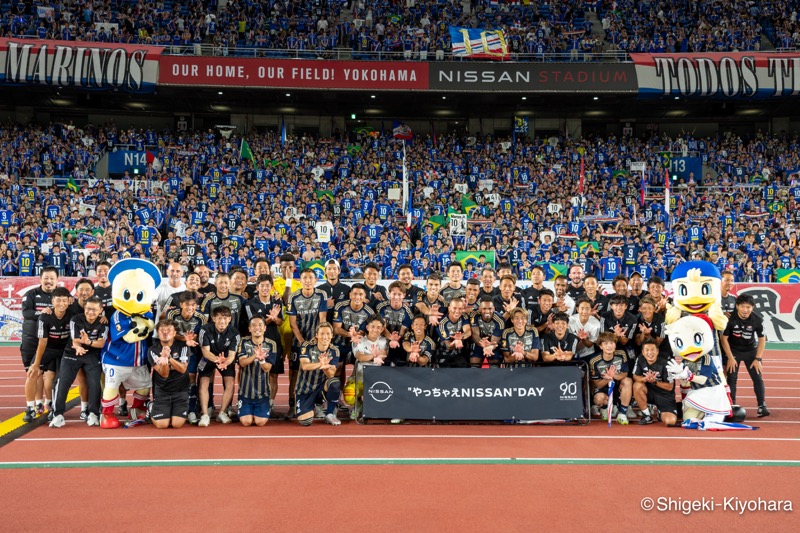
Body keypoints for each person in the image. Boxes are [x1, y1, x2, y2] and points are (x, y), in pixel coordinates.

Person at [49, 296, 107, 428]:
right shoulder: (75, 319)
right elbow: (75, 339)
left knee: (94, 383)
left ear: (100, 310)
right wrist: (78, 346)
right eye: (88, 309)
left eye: (94, 309)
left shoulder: (103, 322)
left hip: (92, 355)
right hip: (72, 353)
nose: (90, 312)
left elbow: (101, 343)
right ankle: (57, 414)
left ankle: (93, 414)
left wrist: (88, 342)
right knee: (62, 381)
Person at [287, 268, 328, 416]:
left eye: (311, 278)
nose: (308, 280)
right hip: (299, 341)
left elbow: (322, 319)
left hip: (316, 341)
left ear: (316, 280)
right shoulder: (293, 297)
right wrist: (302, 341)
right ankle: (292, 405)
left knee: (318, 371)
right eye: (305, 278)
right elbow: (293, 323)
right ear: (300, 280)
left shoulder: (321, 295)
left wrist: (316, 338)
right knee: (295, 372)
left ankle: (316, 404)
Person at [721, 294, 769, 417]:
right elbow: (724, 339)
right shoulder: (729, 318)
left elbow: (762, 339)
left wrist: (758, 358)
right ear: (737, 306)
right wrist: (730, 358)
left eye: (748, 307)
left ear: (752, 307)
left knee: (757, 377)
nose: (745, 310)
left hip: (750, 351)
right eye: (742, 306)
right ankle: (731, 405)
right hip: (733, 351)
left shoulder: (757, 319)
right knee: (731, 378)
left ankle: (761, 406)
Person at [29, 286, 73, 421]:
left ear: (69, 301)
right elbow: (42, 341)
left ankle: (52, 406)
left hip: (64, 351)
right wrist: (36, 363)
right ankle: (30, 408)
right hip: (47, 349)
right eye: (58, 300)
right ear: (52, 301)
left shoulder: (72, 313)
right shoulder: (45, 316)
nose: (62, 303)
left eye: (64, 300)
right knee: (32, 373)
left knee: (56, 380)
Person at [21, 266, 58, 422]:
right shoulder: (30, 294)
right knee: (33, 373)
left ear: (57, 281)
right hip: (31, 340)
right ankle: (36, 405)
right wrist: (42, 312)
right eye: (46, 278)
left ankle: (48, 405)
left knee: (49, 375)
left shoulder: (61, 296)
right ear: (41, 278)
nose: (49, 281)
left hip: (51, 342)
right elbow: (26, 313)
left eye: (52, 278)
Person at [244, 274, 284, 415]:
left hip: (274, 342)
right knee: (252, 374)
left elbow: (280, 322)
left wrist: (275, 318)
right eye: (262, 286)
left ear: (272, 287)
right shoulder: (250, 304)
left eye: (268, 285)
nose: (265, 288)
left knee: (273, 375)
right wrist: (269, 319)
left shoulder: (277, 302)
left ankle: (270, 404)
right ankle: (250, 401)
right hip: (255, 343)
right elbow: (254, 324)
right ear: (257, 287)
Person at [167, 291, 207, 424]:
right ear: (181, 304)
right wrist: (184, 338)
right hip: (176, 349)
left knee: (191, 378)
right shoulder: (172, 314)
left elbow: (199, 335)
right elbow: (170, 333)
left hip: (193, 350)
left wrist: (189, 339)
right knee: (175, 377)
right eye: (187, 305)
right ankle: (176, 408)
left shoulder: (201, 317)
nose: (191, 308)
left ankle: (191, 410)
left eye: (193, 305)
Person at [197, 306, 240, 426]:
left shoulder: (235, 333)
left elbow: (232, 355)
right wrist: (217, 360)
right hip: (209, 358)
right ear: (213, 318)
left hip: (225, 359)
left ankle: (222, 412)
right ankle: (205, 414)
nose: (222, 321)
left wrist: (225, 362)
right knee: (204, 382)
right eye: (219, 318)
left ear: (230, 319)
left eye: (225, 318)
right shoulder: (204, 330)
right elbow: (205, 351)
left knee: (230, 382)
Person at [295, 322, 342, 426]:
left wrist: (326, 369)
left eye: (328, 334)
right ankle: (314, 407)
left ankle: (330, 414)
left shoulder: (335, 351)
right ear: (316, 335)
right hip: (304, 390)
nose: (325, 337)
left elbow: (331, 375)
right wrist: (320, 364)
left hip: (320, 389)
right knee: (305, 421)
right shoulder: (306, 346)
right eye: (322, 334)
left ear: (332, 335)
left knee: (334, 382)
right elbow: (305, 366)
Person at [148, 320, 190, 429]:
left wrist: (169, 358)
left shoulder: (183, 347)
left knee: (176, 424)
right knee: (162, 425)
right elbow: (164, 374)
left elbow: (182, 369)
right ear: (157, 332)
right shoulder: (153, 351)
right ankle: (151, 406)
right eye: (162, 330)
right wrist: (165, 360)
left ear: (175, 333)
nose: (165, 333)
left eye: (169, 330)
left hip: (180, 392)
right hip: (162, 392)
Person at [237, 315, 278, 427]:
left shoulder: (271, 344)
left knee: (260, 422)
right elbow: (242, 363)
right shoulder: (243, 341)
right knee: (246, 422)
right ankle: (244, 406)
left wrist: (261, 360)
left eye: (260, 325)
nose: (257, 328)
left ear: (265, 328)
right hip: (245, 392)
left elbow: (267, 368)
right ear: (249, 329)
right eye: (253, 325)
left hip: (263, 393)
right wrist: (255, 356)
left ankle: (262, 406)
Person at [589, 331, 633, 424]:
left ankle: (622, 412)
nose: (609, 346)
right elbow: (598, 384)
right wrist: (608, 378)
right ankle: (605, 408)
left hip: (618, 385)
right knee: (599, 398)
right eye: (605, 343)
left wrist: (613, 376)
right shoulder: (594, 361)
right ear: (601, 346)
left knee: (628, 381)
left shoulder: (621, 354)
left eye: (612, 343)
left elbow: (624, 374)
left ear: (615, 345)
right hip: (604, 388)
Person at [632, 338, 678, 426]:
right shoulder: (640, 359)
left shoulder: (666, 363)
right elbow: (635, 376)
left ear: (657, 351)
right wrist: (645, 379)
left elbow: (670, 387)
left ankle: (661, 412)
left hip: (664, 395)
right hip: (649, 392)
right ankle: (647, 415)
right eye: (647, 350)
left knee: (670, 421)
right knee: (637, 385)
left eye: (652, 350)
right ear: (642, 352)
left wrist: (654, 382)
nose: (650, 353)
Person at [376, 281, 414, 366]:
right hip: (383, 339)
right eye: (394, 294)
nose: (396, 297)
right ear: (389, 294)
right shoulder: (381, 307)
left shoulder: (408, 313)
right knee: (383, 363)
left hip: (399, 341)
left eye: (399, 294)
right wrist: (390, 337)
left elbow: (402, 332)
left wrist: (395, 340)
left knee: (400, 362)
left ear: (404, 295)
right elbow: (382, 327)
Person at [434, 296, 471, 367]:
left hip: (459, 354)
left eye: (460, 308)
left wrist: (461, 337)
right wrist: (456, 341)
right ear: (449, 309)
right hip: (444, 354)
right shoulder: (442, 322)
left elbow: (468, 331)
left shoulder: (464, 317)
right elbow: (448, 345)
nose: (457, 311)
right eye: (454, 308)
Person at [469, 296, 504, 367]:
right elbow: (475, 335)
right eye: (484, 308)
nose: (487, 311)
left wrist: (489, 347)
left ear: (494, 308)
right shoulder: (474, 315)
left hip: (492, 345)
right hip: (478, 342)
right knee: (474, 362)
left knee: (495, 363)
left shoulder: (500, 320)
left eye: (490, 308)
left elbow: (495, 341)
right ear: (479, 309)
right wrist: (482, 344)